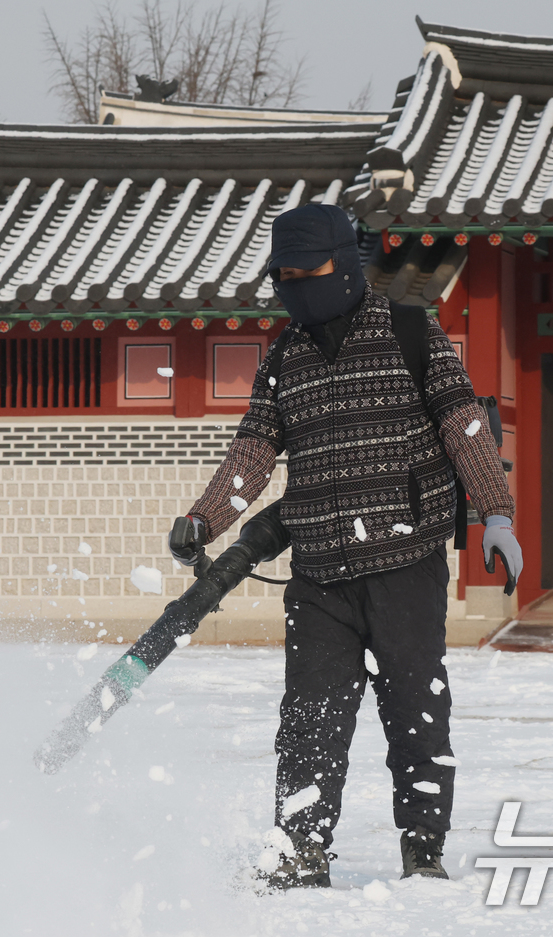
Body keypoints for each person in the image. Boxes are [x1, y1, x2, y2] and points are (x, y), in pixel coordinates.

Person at [167, 204, 521, 887]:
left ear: (346, 262)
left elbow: (462, 424)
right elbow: (254, 450)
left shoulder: (411, 330)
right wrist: (204, 518)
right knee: (309, 721)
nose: (298, 285)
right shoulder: (286, 356)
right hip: (320, 574)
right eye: (286, 275)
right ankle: (302, 846)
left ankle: (423, 847)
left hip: (405, 564)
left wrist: (495, 514)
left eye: (311, 270)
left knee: (417, 713)